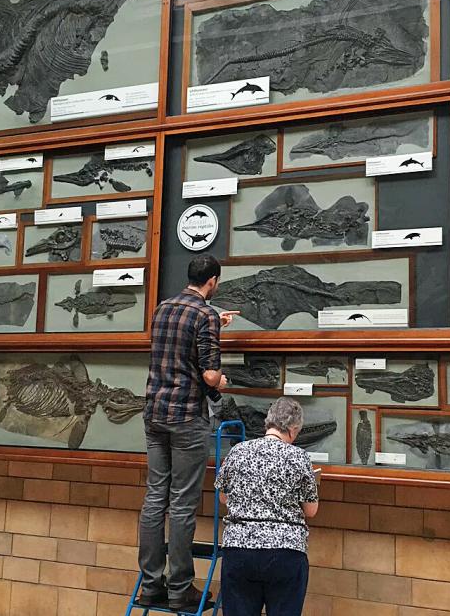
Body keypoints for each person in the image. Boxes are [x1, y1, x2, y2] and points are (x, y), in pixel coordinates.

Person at [137, 254, 237, 614]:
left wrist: (214, 326)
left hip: (154, 415)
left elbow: (177, 348)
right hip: (186, 418)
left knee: (154, 499)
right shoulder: (205, 314)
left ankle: (151, 585)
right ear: (212, 282)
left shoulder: (163, 308)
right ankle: (180, 588)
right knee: (181, 503)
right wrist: (222, 380)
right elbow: (209, 375)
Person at [215, 396, 320, 616]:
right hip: (285, 551)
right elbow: (311, 510)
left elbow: (223, 498)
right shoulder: (299, 457)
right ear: (292, 429)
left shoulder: (238, 452)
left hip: (239, 548)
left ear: (268, 422)